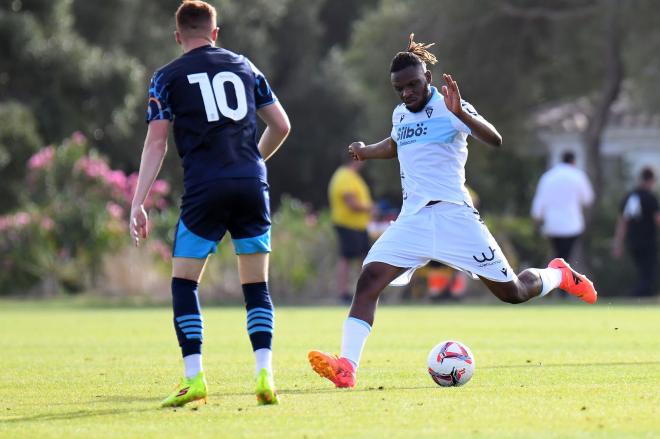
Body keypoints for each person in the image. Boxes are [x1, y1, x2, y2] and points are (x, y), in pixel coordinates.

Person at [307, 34, 597, 388]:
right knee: (368, 282)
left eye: (413, 85)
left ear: (427, 79)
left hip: (455, 217)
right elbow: (396, 143)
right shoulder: (400, 114)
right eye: (400, 88)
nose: (406, 93)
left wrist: (462, 114)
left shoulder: (450, 107)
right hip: (413, 219)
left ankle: (558, 275)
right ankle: (347, 368)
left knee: (513, 293)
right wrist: (366, 151)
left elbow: (494, 139)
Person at [129, 1, 290, 407]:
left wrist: (138, 202)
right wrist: (251, 163)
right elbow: (282, 125)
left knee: (184, 282)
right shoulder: (245, 66)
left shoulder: (165, 77)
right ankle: (264, 374)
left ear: (178, 35)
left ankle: (194, 377)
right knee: (256, 286)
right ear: (215, 33)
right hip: (252, 183)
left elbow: (157, 143)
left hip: (205, 188)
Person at [531, 151, 594, 297]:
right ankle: (562, 289)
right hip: (572, 224)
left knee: (558, 256)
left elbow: (539, 203)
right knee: (566, 257)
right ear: (573, 161)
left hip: (552, 225)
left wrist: (536, 221)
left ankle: (557, 288)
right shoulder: (578, 176)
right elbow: (588, 199)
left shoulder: (548, 177)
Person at [328, 158, 374, 303]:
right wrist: (371, 208)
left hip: (358, 226)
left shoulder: (352, 175)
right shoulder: (344, 176)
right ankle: (345, 293)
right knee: (347, 259)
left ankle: (365, 290)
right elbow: (351, 203)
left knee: (363, 258)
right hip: (348, 225)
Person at [612, 167, 659, 297]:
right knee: (649, 273)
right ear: (651, 180)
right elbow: (657, 219)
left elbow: (622, 222)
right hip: (648, 242)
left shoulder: (629, 196)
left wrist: (618, 244)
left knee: (643, 272)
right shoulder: (650, 197)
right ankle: (638, 296)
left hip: (632, 242)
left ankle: (640, 295)